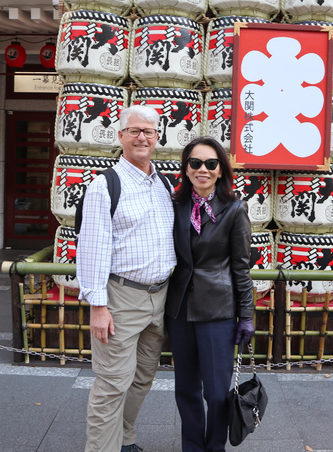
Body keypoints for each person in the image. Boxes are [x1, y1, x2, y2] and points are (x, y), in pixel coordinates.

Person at [77, 105, 176, 452]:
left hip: (159, 297)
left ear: (157, 137)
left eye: (148, 131)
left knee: (142, 378)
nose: (141, 137)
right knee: (112, 383)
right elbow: (91, 248)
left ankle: (125, 439)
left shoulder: (163, 182)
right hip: (121, 298)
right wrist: (98, 306)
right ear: (120, 136)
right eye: (134, 130)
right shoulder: (105, 185)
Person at [165, 136, 255, 452]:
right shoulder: (175, 205)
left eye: (210, 163)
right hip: (179, 310)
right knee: (186, 389)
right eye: (195, 163)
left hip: (218, 311)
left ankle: (215, 445)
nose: (202, 169)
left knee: (216, 392)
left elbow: (242, 268)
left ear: (220, 170)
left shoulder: (234, 209)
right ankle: (191, 446)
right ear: (186, 169)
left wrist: (246, 315)